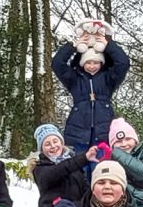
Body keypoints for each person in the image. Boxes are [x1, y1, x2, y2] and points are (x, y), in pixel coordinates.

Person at [53, 18, 131, 152]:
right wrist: (73, 46)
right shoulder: (75, 79)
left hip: (103, 133)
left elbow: (123, 63)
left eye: (96, 63)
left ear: (101, 63)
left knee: (102, 164)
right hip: (78, 134)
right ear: (82, 64)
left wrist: (108, 45)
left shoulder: (108, 79)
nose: (92, 66)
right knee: (77, 165)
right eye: (88, 63)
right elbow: (57, 64)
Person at [23, 121, 90, 207]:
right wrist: (84, 158)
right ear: (42, 149)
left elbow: (85, 192)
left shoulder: (75, 165)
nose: (53, 146)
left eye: (55, 141)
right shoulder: (40, 168)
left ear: (61, 142)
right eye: (47, 144)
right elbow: (57, 171)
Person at [101, 117, 143, 207]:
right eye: (118, 141)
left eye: (128, 139)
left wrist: (117, 153)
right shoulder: (109, 161)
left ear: (135, 140)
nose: (124, 144)